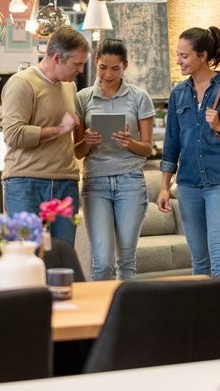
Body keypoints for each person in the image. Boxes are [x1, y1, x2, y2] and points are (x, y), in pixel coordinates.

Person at [158, 26, 220, 276]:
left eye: (184, 56)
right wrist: (164, 186)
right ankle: (202, 315)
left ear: (202, 56)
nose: (179, 61)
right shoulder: (178, 94)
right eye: (178, 55)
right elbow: (171, 143)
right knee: (199, 263)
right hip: (187, 185)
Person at [1, 26, 90, 246]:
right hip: (26, 183)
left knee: (63, 257)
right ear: (57, 58)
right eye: (76, 64)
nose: (80, 70)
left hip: (65, 183)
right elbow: (13, 134)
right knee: (25, 255)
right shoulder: (22, 83)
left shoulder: (69, 86)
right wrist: (60, 129)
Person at [74, 39, 154, 280]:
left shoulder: (139, 97)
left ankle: (127, 317)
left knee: (126, 261)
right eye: (102, 67)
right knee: (102, 262)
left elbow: (148, 148)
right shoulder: (83, 98)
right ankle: (102, 316)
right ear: (95, 64)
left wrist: (130, 143)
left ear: (125, 66)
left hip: (130, 181)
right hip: (95, 182)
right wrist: (87, 140)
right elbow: (77, 152)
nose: (108, 74)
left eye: (115, 68)